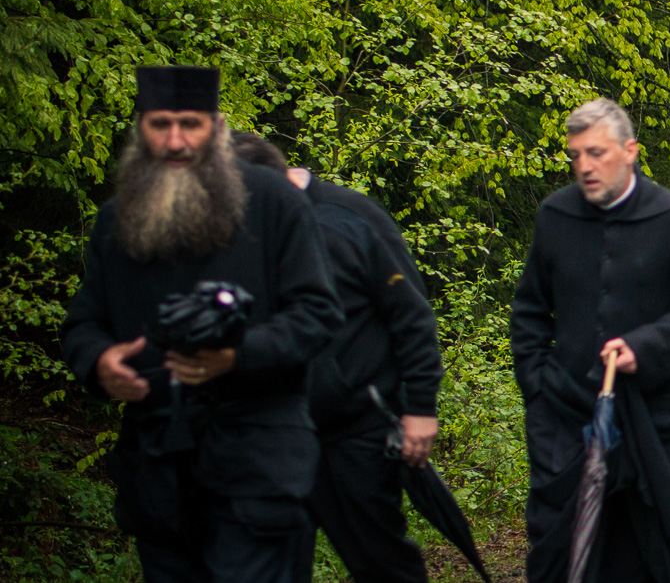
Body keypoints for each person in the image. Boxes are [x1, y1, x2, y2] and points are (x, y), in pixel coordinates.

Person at [60, 66, 343, 583]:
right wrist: (100, 362)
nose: (174, 140)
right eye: (160, 124)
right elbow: (83, 324)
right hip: (159, 468)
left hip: (258, 461)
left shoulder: (273, 201)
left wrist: (237, 355)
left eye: (189, 124)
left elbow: (319, 313)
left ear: (214, 126)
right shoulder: (116, 219)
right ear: (140, 126)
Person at [510, 98, 670, 583]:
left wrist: (645, 347)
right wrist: (539, 389)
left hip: (657, 418)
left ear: (629, 150)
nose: (584, 167)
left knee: (666, 553)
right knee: (563, 558)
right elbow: (528, 311)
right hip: (566, 418)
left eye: (596, 153)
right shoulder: (555, 215)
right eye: (575, 156)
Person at [231, 132, 443, 583]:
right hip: (271, 435)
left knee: (381, 562)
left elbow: (412, 315)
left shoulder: (349, 217)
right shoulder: (244, 231)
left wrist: (420, 406)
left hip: (355, 430)